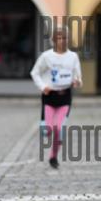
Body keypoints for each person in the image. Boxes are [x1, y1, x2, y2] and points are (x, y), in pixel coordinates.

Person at [30, 27, 82, 169]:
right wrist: (43, 86)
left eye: (65, 38)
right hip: (49, 97)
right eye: (59, 38)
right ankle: (45, 127)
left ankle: (53, 156)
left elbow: (78, 76)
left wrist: (77, 81)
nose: (62, 41)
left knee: (58, 128)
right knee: (48, 129)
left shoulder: (73, 57)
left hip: (65, 97)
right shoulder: (46, 56)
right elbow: (35, 73)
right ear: (53, 40)